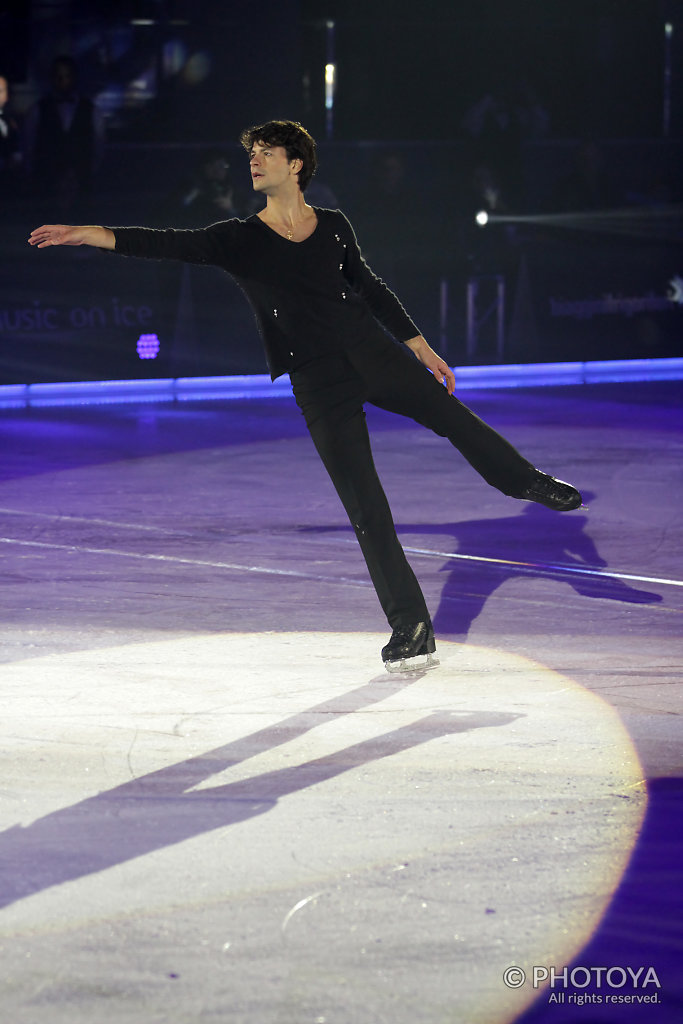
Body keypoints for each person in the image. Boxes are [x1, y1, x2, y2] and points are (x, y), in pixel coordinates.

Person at [28, 119, 583, 672]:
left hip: (374, 352)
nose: (255, 161)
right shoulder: (240, 239)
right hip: (319, 381)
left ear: (296, 165)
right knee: (366, 504)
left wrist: (419, 344)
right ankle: (411, 625)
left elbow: (369, 286)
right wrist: (89, 233)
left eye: (267, 153)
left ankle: (524, 480)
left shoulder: (335, 226)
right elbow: (168, 243)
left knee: (454, 418)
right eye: (253, 153)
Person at [24, 55, 105, 213]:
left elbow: (98, 147)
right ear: (52, 78)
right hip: (46, 184)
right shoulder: (38, 110)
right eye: (58, 76)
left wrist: (86, 172)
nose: (63, 81)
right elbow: (29, 146)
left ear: (74, 77)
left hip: (82, 184)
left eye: (67, 76)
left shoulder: (91, 110)